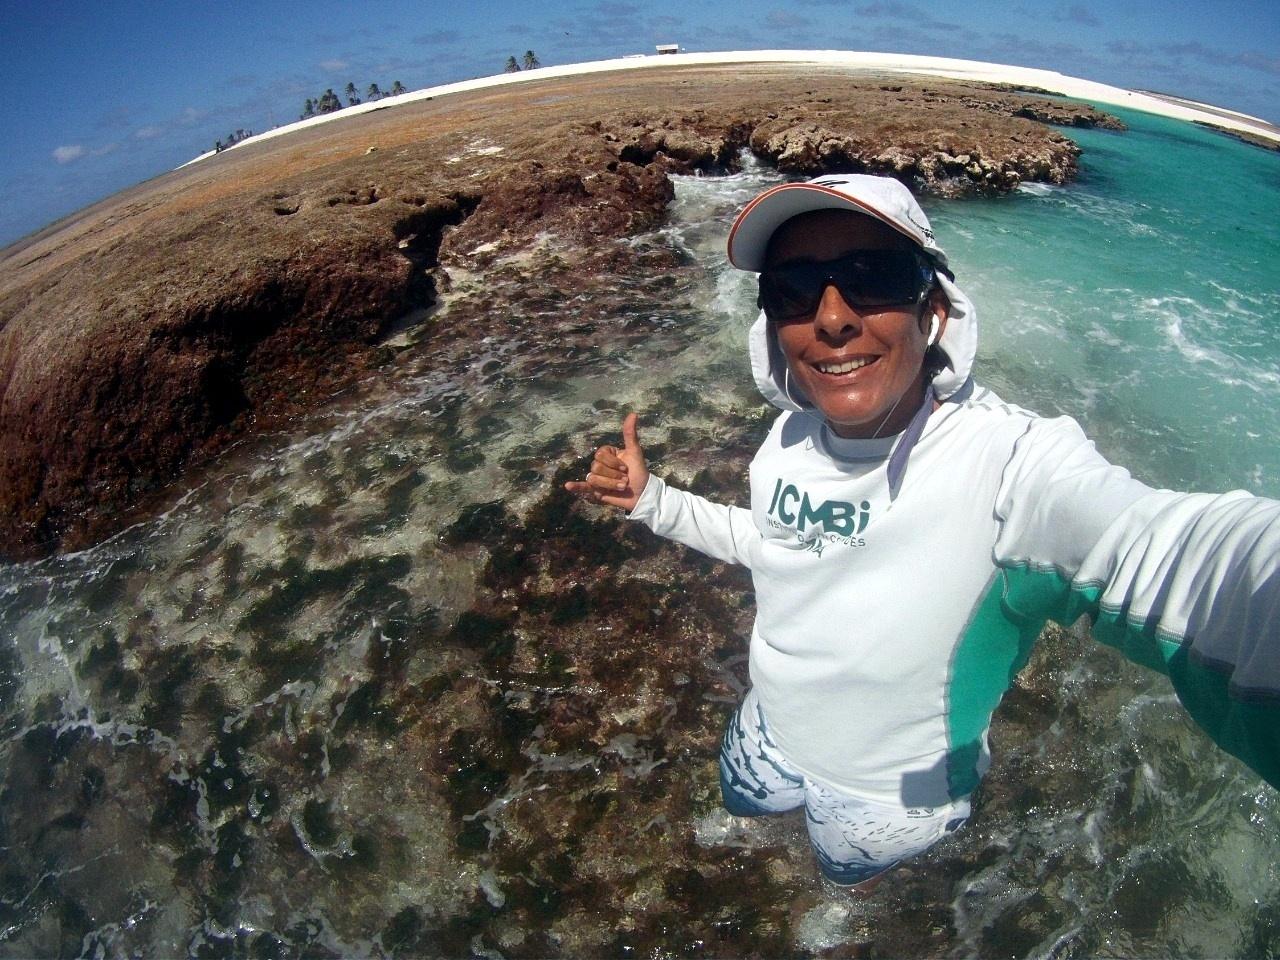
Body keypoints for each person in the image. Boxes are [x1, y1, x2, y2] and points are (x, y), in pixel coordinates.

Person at [565, 174, 1280, 890]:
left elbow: (1180, 557)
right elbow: (775, 546)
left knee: (841, 878)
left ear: (933, 309)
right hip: (770, 728)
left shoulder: (1013, 467)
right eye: (795, 287)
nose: (833, 317)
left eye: (871, 277)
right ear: (771, 324)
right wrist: (654, 502)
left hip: (894, 794)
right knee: (739, 811)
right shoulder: (786, 440)